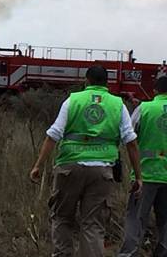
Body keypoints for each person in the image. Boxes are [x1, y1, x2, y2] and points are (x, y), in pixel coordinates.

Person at [29, 65, 142, 257]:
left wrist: (38, 165)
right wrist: (138, 176)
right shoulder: (117, 104)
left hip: (69, 167)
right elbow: (130, 142)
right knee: (93, 224)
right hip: (103, 171)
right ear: (107, 83)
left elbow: (53, 135)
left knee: (62, 218)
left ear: (86, 80)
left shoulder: (72, 101)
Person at [119, 76, 167, 257]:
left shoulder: (144, 108)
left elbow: (129, 137)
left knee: (136, 219)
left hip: (145, 174)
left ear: (155, 91)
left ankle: (128, 254)